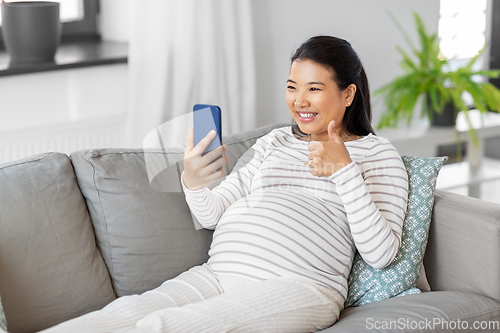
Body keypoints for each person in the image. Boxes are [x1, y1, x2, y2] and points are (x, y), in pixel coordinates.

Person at [40, 35, 408, 333]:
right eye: (292, 87)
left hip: (299, 287)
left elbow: (381, 253)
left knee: (162, 327)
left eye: (314, 88)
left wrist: (344, 171)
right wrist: (195, 181)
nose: (299, 101)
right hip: (217, 275)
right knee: (113, 318)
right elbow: (213, 213)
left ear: (348, 94)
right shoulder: (274, 143)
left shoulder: (378, 155)